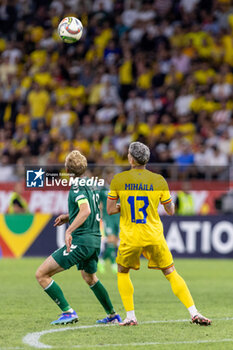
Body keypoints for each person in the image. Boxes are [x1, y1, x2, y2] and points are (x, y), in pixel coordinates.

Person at [107, 142, 211, 326]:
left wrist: (124, 204)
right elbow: (170, 210)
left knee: (123, 272)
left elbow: (109, 210)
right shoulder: (159, 180)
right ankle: (194, 312)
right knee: (170, 272)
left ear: (131, 158)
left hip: (131, 237)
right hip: (154, 235)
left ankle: (131, 317)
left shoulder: (118, 180)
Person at [36, 150, 121, 325]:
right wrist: (69, 216)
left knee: (42, 274)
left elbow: (86, 210)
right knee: (90, 278)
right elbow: (92, 208)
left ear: (67, 170)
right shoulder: (91, 185)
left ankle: (68, 312)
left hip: (81, 241)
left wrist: (69, 230)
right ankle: (112, 315)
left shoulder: (76, 187)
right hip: (95, 240)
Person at [98, 169, 120, 274]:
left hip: (118, 218)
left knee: (115, 242)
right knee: (111, 240)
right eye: (110, 176)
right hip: (108, 218)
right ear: (106, 178)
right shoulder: (102, 190)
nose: (111, 179)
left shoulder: (118, 190)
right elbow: (99, 204)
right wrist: (100, 215)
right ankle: (113, 264)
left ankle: (102, 260)